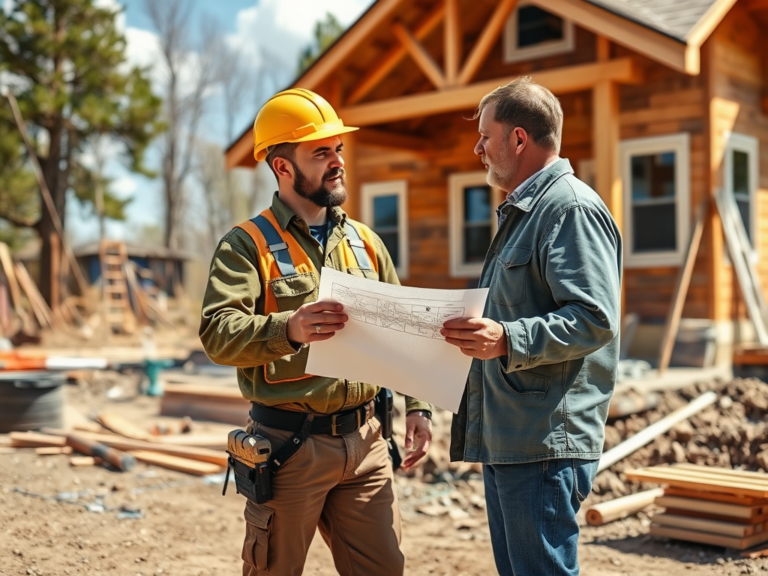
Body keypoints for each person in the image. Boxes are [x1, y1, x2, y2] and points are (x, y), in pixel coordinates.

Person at [199, 88, 433, 576]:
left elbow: (403, 331)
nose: (337, 162)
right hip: (289, 449)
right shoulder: (247, 245)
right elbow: (218, 333)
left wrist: (419, 406)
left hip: (368, 445)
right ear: (283, 167)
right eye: (321, 152)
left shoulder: (367, 243)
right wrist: (291, 327)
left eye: (339, 149)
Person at [442, 77, 622, 576]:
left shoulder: (569, 209)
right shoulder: (525, 212)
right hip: (513, 437)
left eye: (485, 135)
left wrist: (505, 338)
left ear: (518, 140)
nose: (477, 148)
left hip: (544, 442)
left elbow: (594, 318)